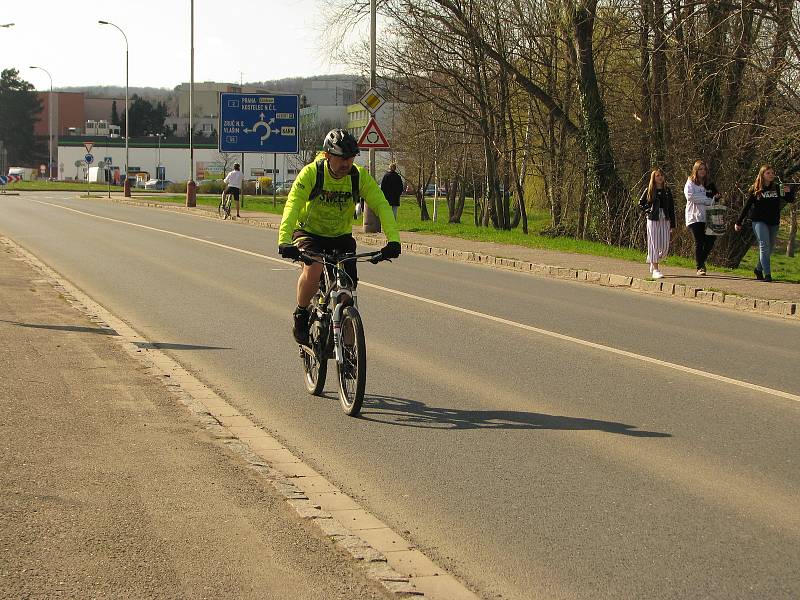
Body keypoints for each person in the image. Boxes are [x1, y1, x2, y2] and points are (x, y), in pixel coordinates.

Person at [277, 129, 401, 344]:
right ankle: (301, 313)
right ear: (327, 156)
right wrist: (284, 240)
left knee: (347, 293)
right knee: (314, 268)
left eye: (350, 158)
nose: (346, 163)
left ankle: (350, 352)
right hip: (309, 232)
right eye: (342, 158)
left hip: (340, 235)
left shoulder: (358, 176)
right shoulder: (312, 173)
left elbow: (381, 203)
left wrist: (393, 240)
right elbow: (293, 203)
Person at [734, 165, 795, 282]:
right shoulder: (755, 189)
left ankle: (758, 269)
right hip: (759, 221)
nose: (771, 175)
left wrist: (789, 191)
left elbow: (790, 199)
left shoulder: (778, 188)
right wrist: (738, 222)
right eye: (768, 173)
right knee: (764, 245)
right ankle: (768, 274)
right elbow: (746, 206)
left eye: (772, 173)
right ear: (762, 174)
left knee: (770, 248)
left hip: (773, 222)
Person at [684, 160, 720, 275]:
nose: (702, 171)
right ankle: (700, 266)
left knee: (711, 240)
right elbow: (691, 197)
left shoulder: (708, 184)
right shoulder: (690, 182)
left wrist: (716, 198)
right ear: (695, 170)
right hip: (694, 216)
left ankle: (701, 261)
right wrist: (707, 200)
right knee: (699, 241)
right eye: (700, 169)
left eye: (704, 169)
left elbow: (714, 197)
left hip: (708, 216)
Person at [638, 168, 676, 279]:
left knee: (664, 247)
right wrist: (648, 210)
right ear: (654, 178)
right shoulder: (649, 189)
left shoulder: (667, 191)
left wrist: (673, 224)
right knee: (653, 243)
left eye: (661, 175)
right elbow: (641, 203)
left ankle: (652, 258)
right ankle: (655, 268)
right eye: (658, 175)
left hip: (665, 219)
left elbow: (671, 208)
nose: (660, 177)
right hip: (652, 219)